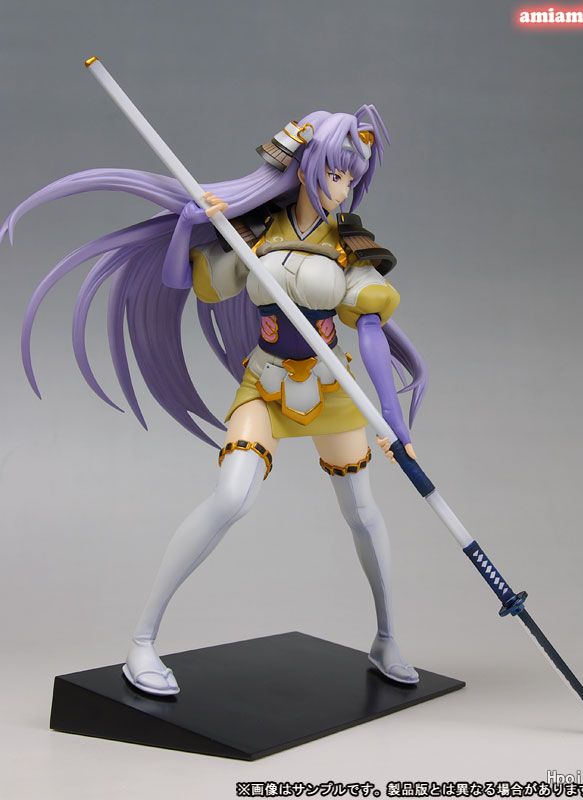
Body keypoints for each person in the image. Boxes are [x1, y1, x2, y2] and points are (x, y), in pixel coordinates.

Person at [1, 105, 427, 696]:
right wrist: (186, 225)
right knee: (230, 498)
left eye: (352, 177)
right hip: (265, 385)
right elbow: (191, 283)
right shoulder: (253, 237)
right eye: (335, 173)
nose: (344, 187)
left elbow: (372, 332)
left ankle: (386, 637)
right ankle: (142, 641)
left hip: (331, 388)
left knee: (361, 511)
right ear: (307, 168)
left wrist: (393, 418)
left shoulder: (350, 247)